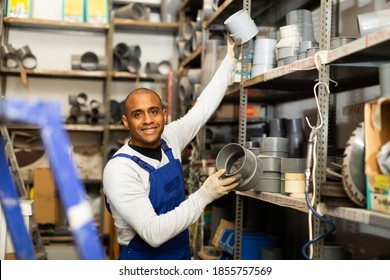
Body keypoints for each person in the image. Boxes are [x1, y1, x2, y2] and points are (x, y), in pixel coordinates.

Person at [103, 36, 241, 260]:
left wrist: (228, 62)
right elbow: (152, 233)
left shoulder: (170, 137)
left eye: (153, 111)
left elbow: (202, 109)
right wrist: (205, 195)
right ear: (126, 122)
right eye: (137, 115)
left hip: (179, 255)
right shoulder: (120, 169)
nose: (148, 120)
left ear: (164, 114)